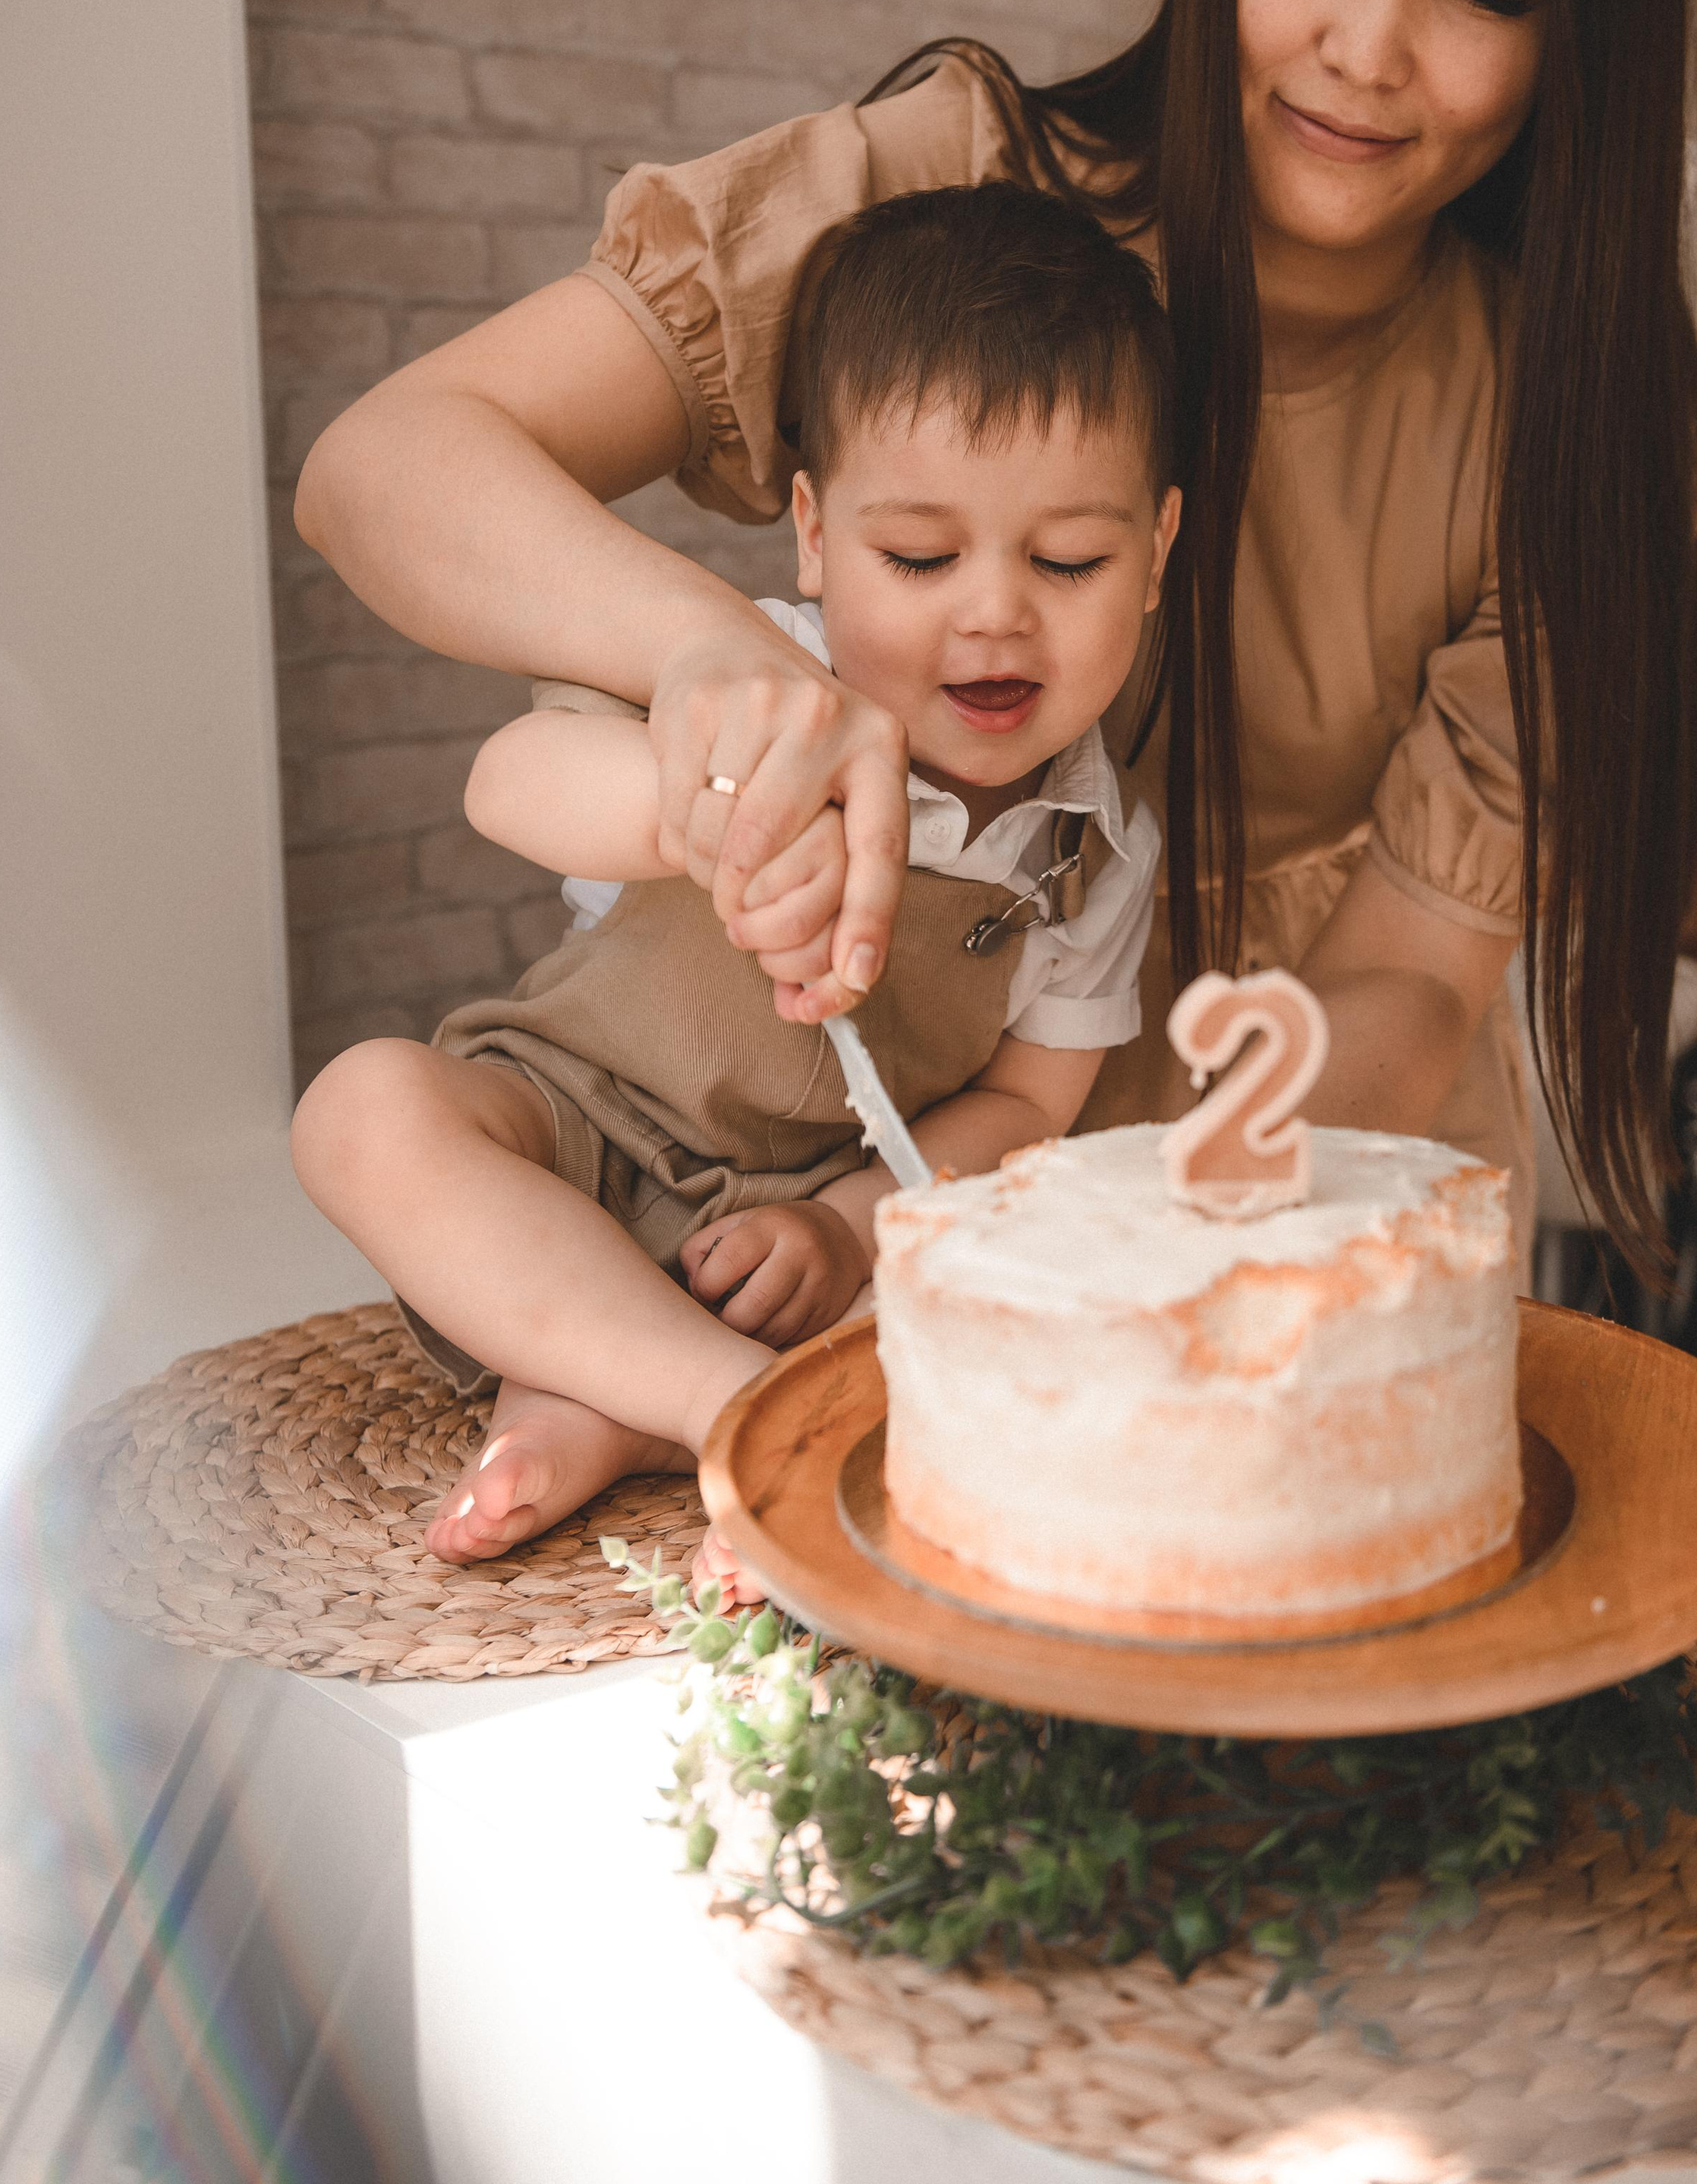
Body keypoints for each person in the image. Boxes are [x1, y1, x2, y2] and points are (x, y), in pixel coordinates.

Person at [297, 0, 1697, 1279]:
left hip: (1282, 1183)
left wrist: (1123, 1207)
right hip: (865, 1181)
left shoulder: (1562, 436)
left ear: (1582, 34)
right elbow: (383, 469)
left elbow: (1408, 987)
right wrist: (703, 652)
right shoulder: (964, 193)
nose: (1365, 51)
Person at [291, 186, 1177, 1563]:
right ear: (817, 535)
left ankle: (603, 1399)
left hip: (807, 1240)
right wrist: (695, 819)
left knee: (1032, 1282)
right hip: (568, 1140)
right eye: (920, 556)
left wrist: (846, 1225)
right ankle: (730, 1409)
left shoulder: (1094, 848)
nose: (994, 609)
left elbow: (1022, 1109)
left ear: (1160, 553)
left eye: (1069, 559)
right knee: (359, 1110)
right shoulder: (754, 679)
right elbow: (505, 781)